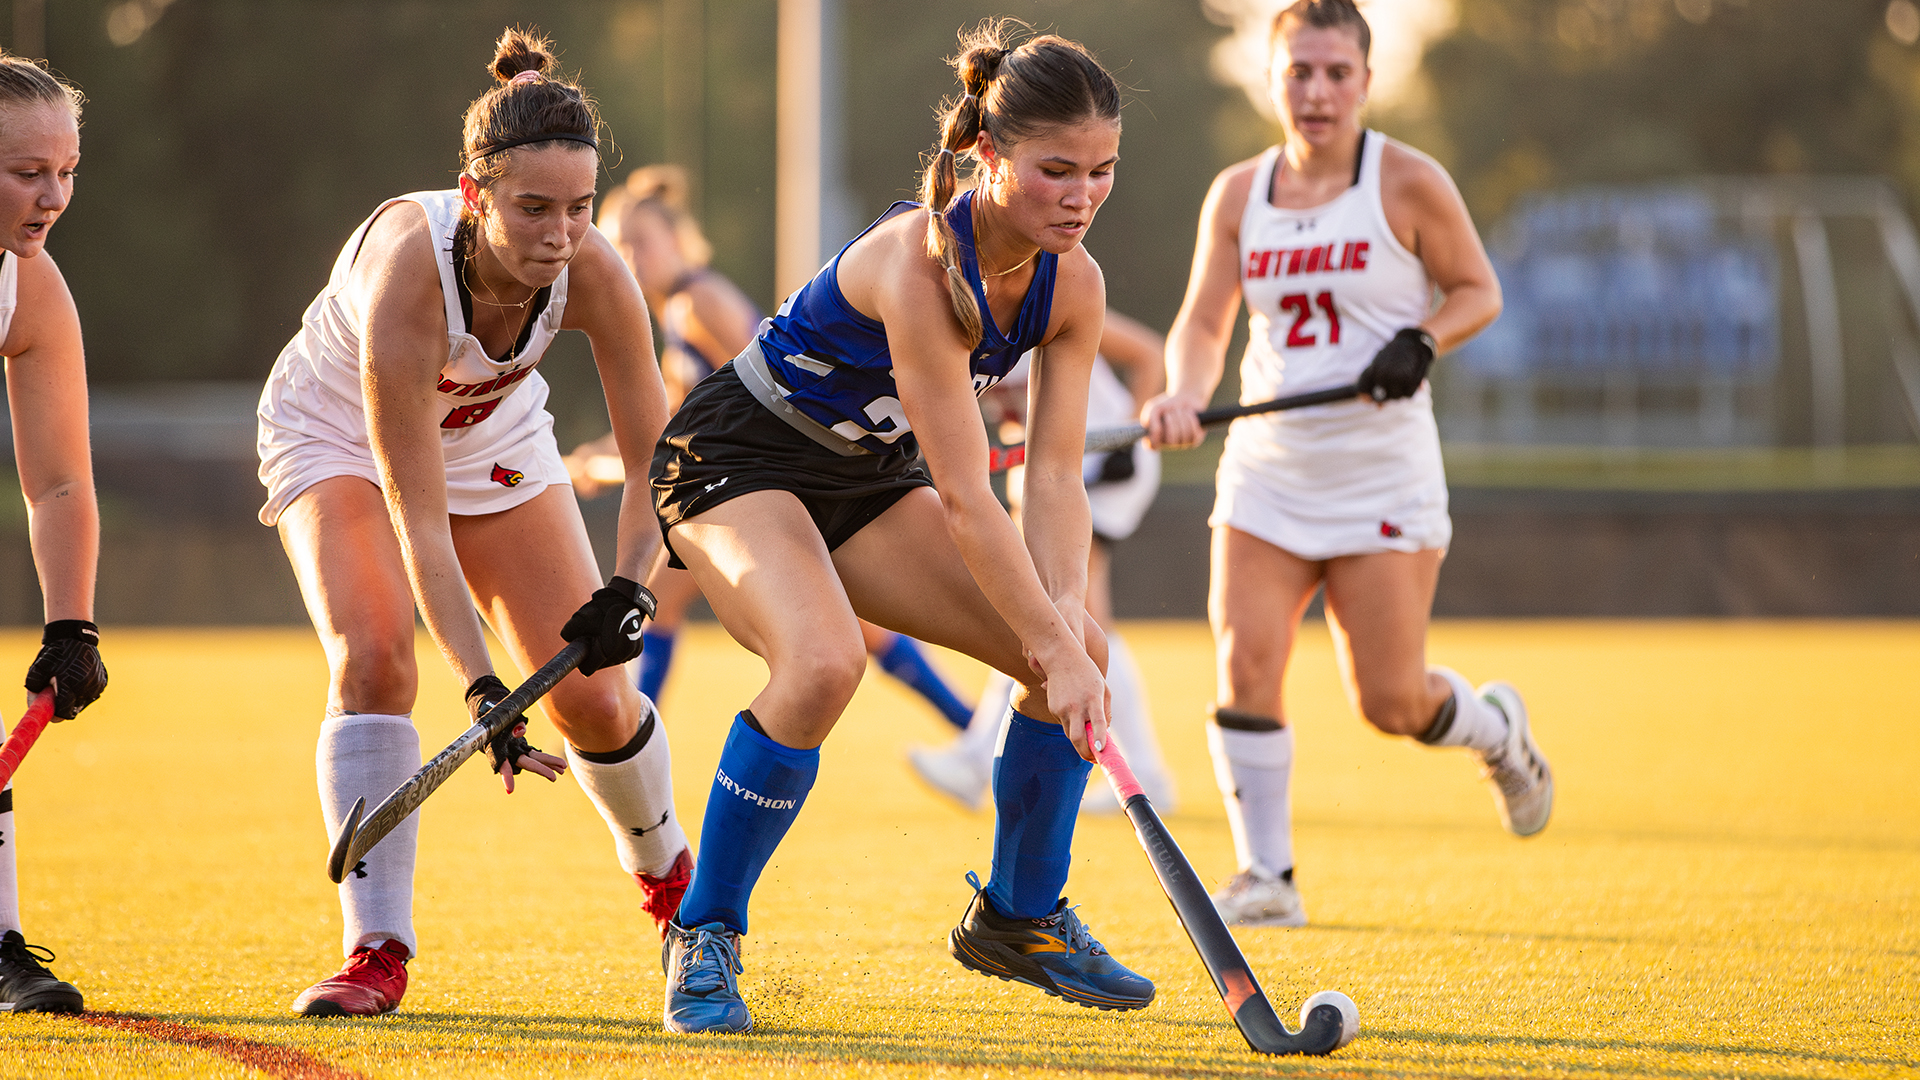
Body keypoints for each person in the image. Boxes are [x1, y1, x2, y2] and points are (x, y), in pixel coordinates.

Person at [652, 22, 1152, 1034]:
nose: (1082, 195)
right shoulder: (917, 265)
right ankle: (702, 933)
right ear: (990, 156)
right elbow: (971, 495)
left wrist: (1061, 635)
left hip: (863, 481)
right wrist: (1051, 647)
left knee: (1077, 645)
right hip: (738, 461)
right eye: (1057, 170)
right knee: (825, 663)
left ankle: (1019, 919)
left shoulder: (1075, 284)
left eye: (1101, 171)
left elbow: (1051, 477)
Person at [256, 29, 689, 1017]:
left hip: (488, 429)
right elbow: (419, 519)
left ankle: (679, 897)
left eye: (578, 210)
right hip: (340, 435)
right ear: (474, 193)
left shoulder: (597, 272)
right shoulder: (410, 271)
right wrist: (482, 683)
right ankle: (376, 950)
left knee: (600, 704)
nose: (559, 237)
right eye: (533, 210)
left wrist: (632, 587)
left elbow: (652, 460)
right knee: (375, 658)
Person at [1142, 0, 1552, 930]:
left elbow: (1477, 290)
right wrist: (1180, 394)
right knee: (1246, 659)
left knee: (1392, 703)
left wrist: (1420, 339)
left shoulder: (1407, 181)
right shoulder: (1239, 194)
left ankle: (1496, 731)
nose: (1318, 91)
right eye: (1300, 72)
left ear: (1366, 80)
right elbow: (1206, 322)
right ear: (1273, 78)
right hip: (1269, 471)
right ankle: (1267, 878)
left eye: (1336, 73)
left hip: (1381, 477)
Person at [564, 168, 974, 728]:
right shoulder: (675, 317)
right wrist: (596, 455)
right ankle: (969, 727)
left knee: (672, 603)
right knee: (835, 628)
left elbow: (761, 389)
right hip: (745, 476)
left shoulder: (697, 301)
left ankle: (631, 736)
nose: (630, 259)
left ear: (677, 239)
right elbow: (668, 424)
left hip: (774, 475)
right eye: (619, 246)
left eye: (641, 243)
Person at [908, 310, 1177, 814]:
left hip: (1103, 471)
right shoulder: (957, 324)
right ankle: (1143, 772)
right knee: (1047, 611)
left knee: (1062, 612)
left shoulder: (1047, 300)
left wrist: (1127, 432)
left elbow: (1148, 352)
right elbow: (1014, 416)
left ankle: (979, 758)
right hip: (1046, 470)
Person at [0, 52, 107, 1016]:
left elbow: (60, 477)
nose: (55, 195)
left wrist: (70, 626)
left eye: (66, 170)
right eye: (27, 172)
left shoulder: (27, 284)